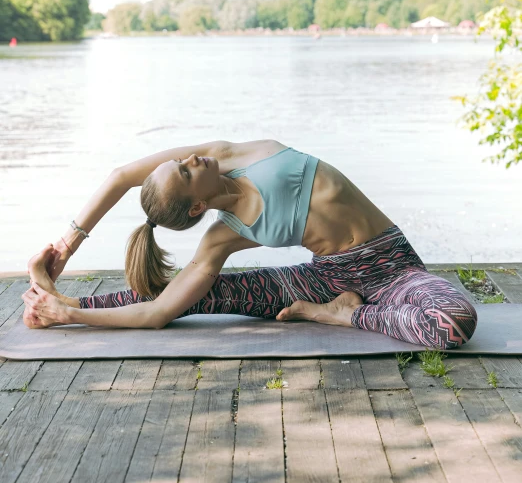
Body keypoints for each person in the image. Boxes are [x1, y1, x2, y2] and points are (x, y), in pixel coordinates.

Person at [23, 139, 478, 348]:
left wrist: (66, 247)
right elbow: (159, 312)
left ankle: (340, 316)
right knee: (196, 295)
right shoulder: (223, 236)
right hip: (329, 277)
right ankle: (62, 303)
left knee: (454, 322)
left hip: (394, 269)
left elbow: (120, 176)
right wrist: (67, 312)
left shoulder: (230, 155)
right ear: (197, 206)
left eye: (179, 161)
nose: (189, 158)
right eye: (184, 171)